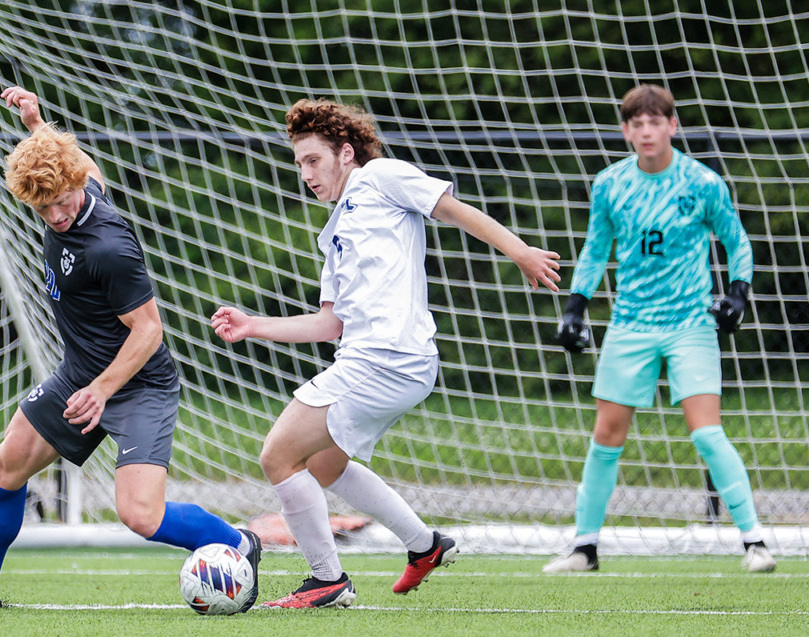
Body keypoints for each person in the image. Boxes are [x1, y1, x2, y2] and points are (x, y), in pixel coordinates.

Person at [0, 86, 261, 610]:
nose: (55, 215)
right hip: (82, 376)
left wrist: (101, 390)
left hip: (138, 383)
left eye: (61, 201)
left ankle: (240, 544)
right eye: (42, 205)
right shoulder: (73, 182)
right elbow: (78, 161)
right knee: (4, 467)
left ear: (77, 187)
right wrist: (37, 124)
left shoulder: (108, 246)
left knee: (140, 515)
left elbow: (148, 331)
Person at [212, 98, 561, 609]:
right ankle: (425, 544)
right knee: (325, 463)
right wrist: (253, 326)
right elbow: (329, 323)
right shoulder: (332, 234)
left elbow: (455, 210)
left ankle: (326, 580)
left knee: (278, 455)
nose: (305, 173)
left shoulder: (381, 177)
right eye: (298, 163)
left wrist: (520, 251)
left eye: (313, 160)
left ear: (346, 153)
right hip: (372, 359)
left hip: (389, 357)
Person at [543, 84, 775, 574]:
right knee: (606, 434)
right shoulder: (609, 184)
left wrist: (738, 292)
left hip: (690, 323)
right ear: (627, 131)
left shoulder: (703, 182)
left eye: (656, 122)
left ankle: (755, 542)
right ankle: (584, 548)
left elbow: (737, 239)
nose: (646, 131)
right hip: (630, 323)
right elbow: (595, 248)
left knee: (706, 431)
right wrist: (575, 307)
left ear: (673, 126)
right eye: (637, 124)